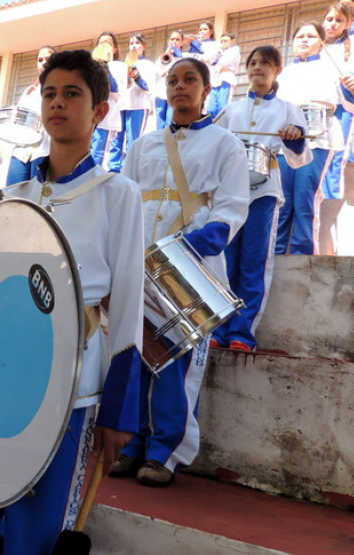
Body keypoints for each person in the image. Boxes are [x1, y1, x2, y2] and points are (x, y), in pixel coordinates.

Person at [0, 49, 144, 555]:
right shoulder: (15, 192)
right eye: (50, 93)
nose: (57, 103)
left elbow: (130, 301)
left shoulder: (117, 193)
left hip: (69, 388)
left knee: (36, 529)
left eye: (73, 93)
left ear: (99, 112)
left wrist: (120, 407)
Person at [115, 57, 249, 486]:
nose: (179, 86)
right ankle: (131, 444)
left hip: (190, 264)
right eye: (172, 80)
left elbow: (232, 205)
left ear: (206, 89)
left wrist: (201, 242)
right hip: (141, 262)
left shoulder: (226, 143)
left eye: (189, 79)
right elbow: (124, 198)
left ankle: (164, 453)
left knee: (175, 361)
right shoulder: (142, 145)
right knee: (135, 356)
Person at [211, 46, 310, 352]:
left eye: (264, 64)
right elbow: (211, 146)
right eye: (252, 64)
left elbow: (300, 157)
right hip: (230, 192)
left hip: (265, 192)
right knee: (225, 261)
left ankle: (242, 331)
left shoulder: (288, 109)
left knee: (254, 261)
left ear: (276, 70)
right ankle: (219, 327)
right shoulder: (231, 111)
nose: (257, 69)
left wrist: (295, 136)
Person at [275, 21, 354, 255]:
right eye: (299, 36)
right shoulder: (282, 73)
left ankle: (303, 257)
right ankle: (276, 254)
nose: (304, 39)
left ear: (322, 43)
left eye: (310, 36)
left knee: (305, 199)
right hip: (284, 142)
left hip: (318, 140)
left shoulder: (335, 68)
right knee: (282, 202)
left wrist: (353, 88)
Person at [320, 2, 354, 255]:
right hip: (318, 113)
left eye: (338, 20)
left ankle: (331, 227)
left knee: (336, 164)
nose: (333, 24)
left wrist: (353, 82)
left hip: (342, 110)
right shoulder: (316, 48)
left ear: (348, 23)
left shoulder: (353, 49)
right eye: (329, 19)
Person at [5, 45, 56, 185]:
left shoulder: (58, 87)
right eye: (40, 59)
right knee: (13, 194)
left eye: (48, 59)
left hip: (44, 149)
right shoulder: (29, 91)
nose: (43, 62)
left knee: (38, 196)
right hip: (21, 150)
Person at [90, 31, 126, 172]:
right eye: (101, 43)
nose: (105, 46)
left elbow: (117, 93)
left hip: (107, 119)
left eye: (109, 43)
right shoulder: (91, 66)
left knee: (102, 159)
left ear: (115, 49)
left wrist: (105, 68)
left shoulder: (119, 66)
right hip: (90, 118)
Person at [119, 33, 155, 161]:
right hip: (122, 106)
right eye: (131, 43)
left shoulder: (147, 64)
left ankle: (129, 170)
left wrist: (136, 76)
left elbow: (148, 87)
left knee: (133, 140)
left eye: (137, 43)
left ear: (144, 46)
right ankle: (115, 169)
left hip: (138, 105)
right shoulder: (122, 65)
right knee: (117, 140)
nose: (134, 46)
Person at [154, 30, 186, 130]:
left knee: (170, 119)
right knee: (160, 119)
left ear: (182, 42)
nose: (174, 42)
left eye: (177, 39)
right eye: (172, 39)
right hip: (162, 92)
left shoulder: (184, 57)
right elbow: (158, 71)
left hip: (175, 93)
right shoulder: (163, 56)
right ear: (168, 41)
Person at [207, 32, 240, 119]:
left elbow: (224, 62)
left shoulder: (235, 50)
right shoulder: (219, 51)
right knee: (211, 109)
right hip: (215, 80)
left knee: (222, 107)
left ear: (233, 42)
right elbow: (209, 60)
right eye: (221, 41)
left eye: (225, 41)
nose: (223, 43)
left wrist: (216, 60)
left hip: (226, 79)